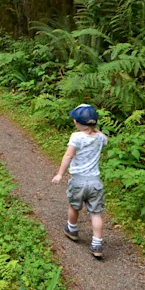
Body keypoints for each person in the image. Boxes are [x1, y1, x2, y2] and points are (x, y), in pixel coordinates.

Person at [51, 103, 109, 258]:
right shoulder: (99, 137)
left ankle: (72, 229)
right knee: (96, 214)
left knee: (74, 206)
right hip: (95, 182)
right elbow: (106, 139)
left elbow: (68, 156)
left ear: (77, 122)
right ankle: (97, 243)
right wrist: (94, 129)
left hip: (78, 181)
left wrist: (60, 174)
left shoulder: (76, 137)